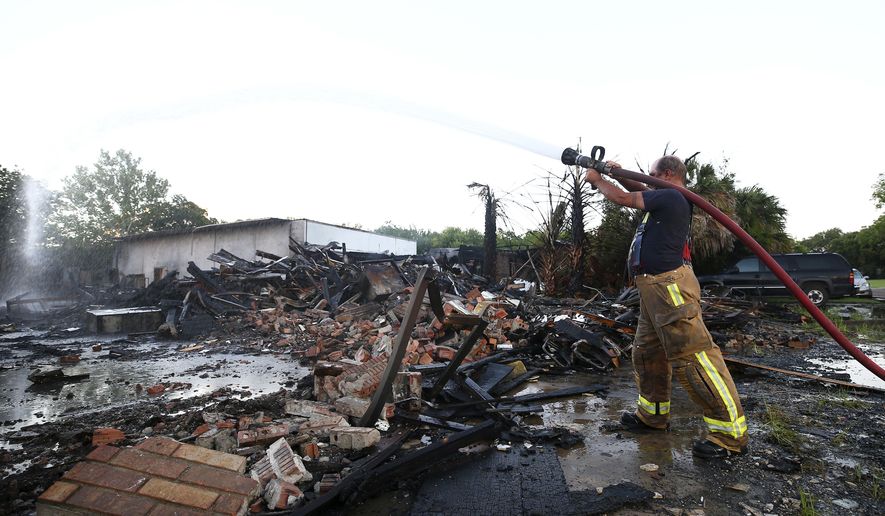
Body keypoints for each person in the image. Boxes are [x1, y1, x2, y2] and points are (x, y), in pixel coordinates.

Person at [584, 156, 749, 459]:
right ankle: (653, 416)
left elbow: (622, 197)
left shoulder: (673, 196)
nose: (648, 179)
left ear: (668, 174)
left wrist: (597, 179)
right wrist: (617, 172)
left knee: (693, 357)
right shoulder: (666, 198)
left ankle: (729, 436)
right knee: (647, 352)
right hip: (653, 288)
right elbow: (635, 188)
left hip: (669, 286)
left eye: (653, 175)